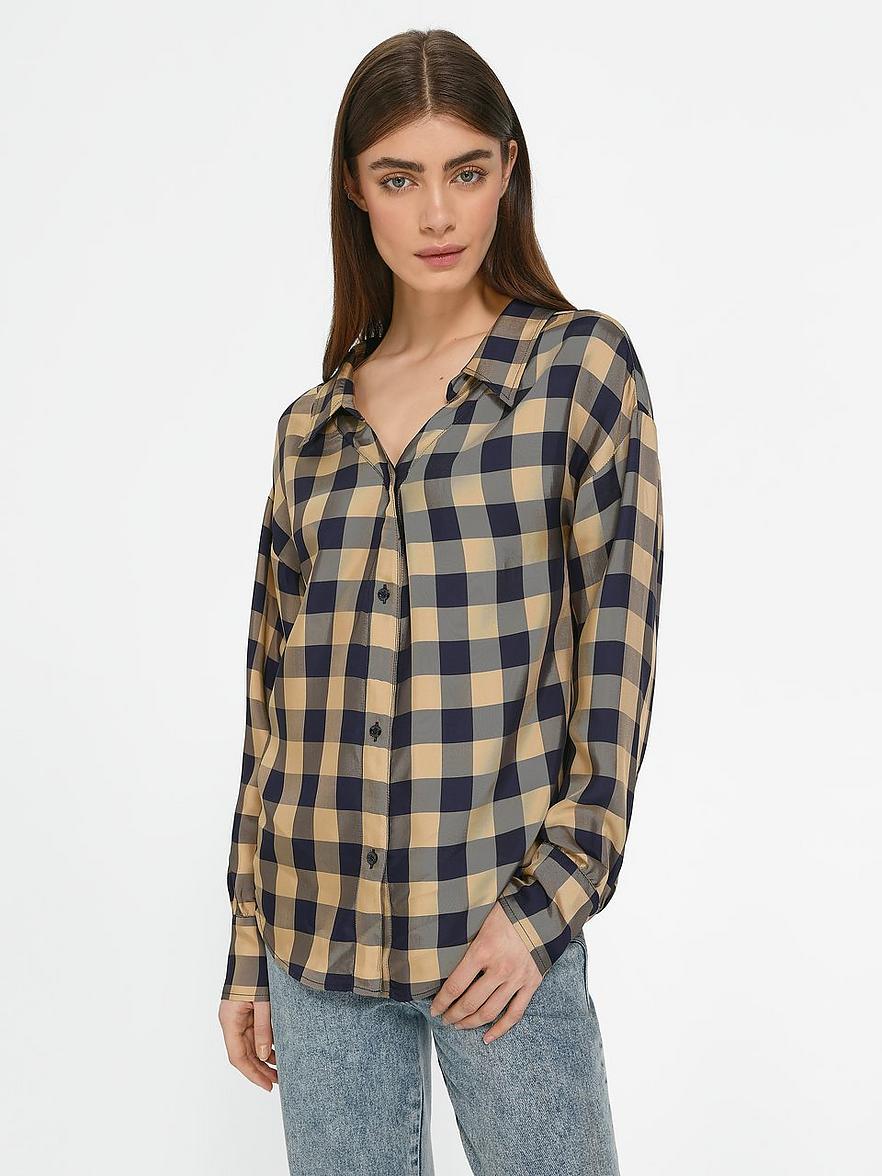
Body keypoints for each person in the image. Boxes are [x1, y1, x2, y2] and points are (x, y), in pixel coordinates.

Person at [217, 26, 664, 1176]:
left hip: (497, 940)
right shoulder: (311, 429)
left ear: (507, 170)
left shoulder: (577, 375)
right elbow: (272, 707)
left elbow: (615, 676)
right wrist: (249, 944)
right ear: (354, 189)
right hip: (314, 940)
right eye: (398, 177)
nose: (435, 214)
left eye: (464, 171)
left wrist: (547, 906)